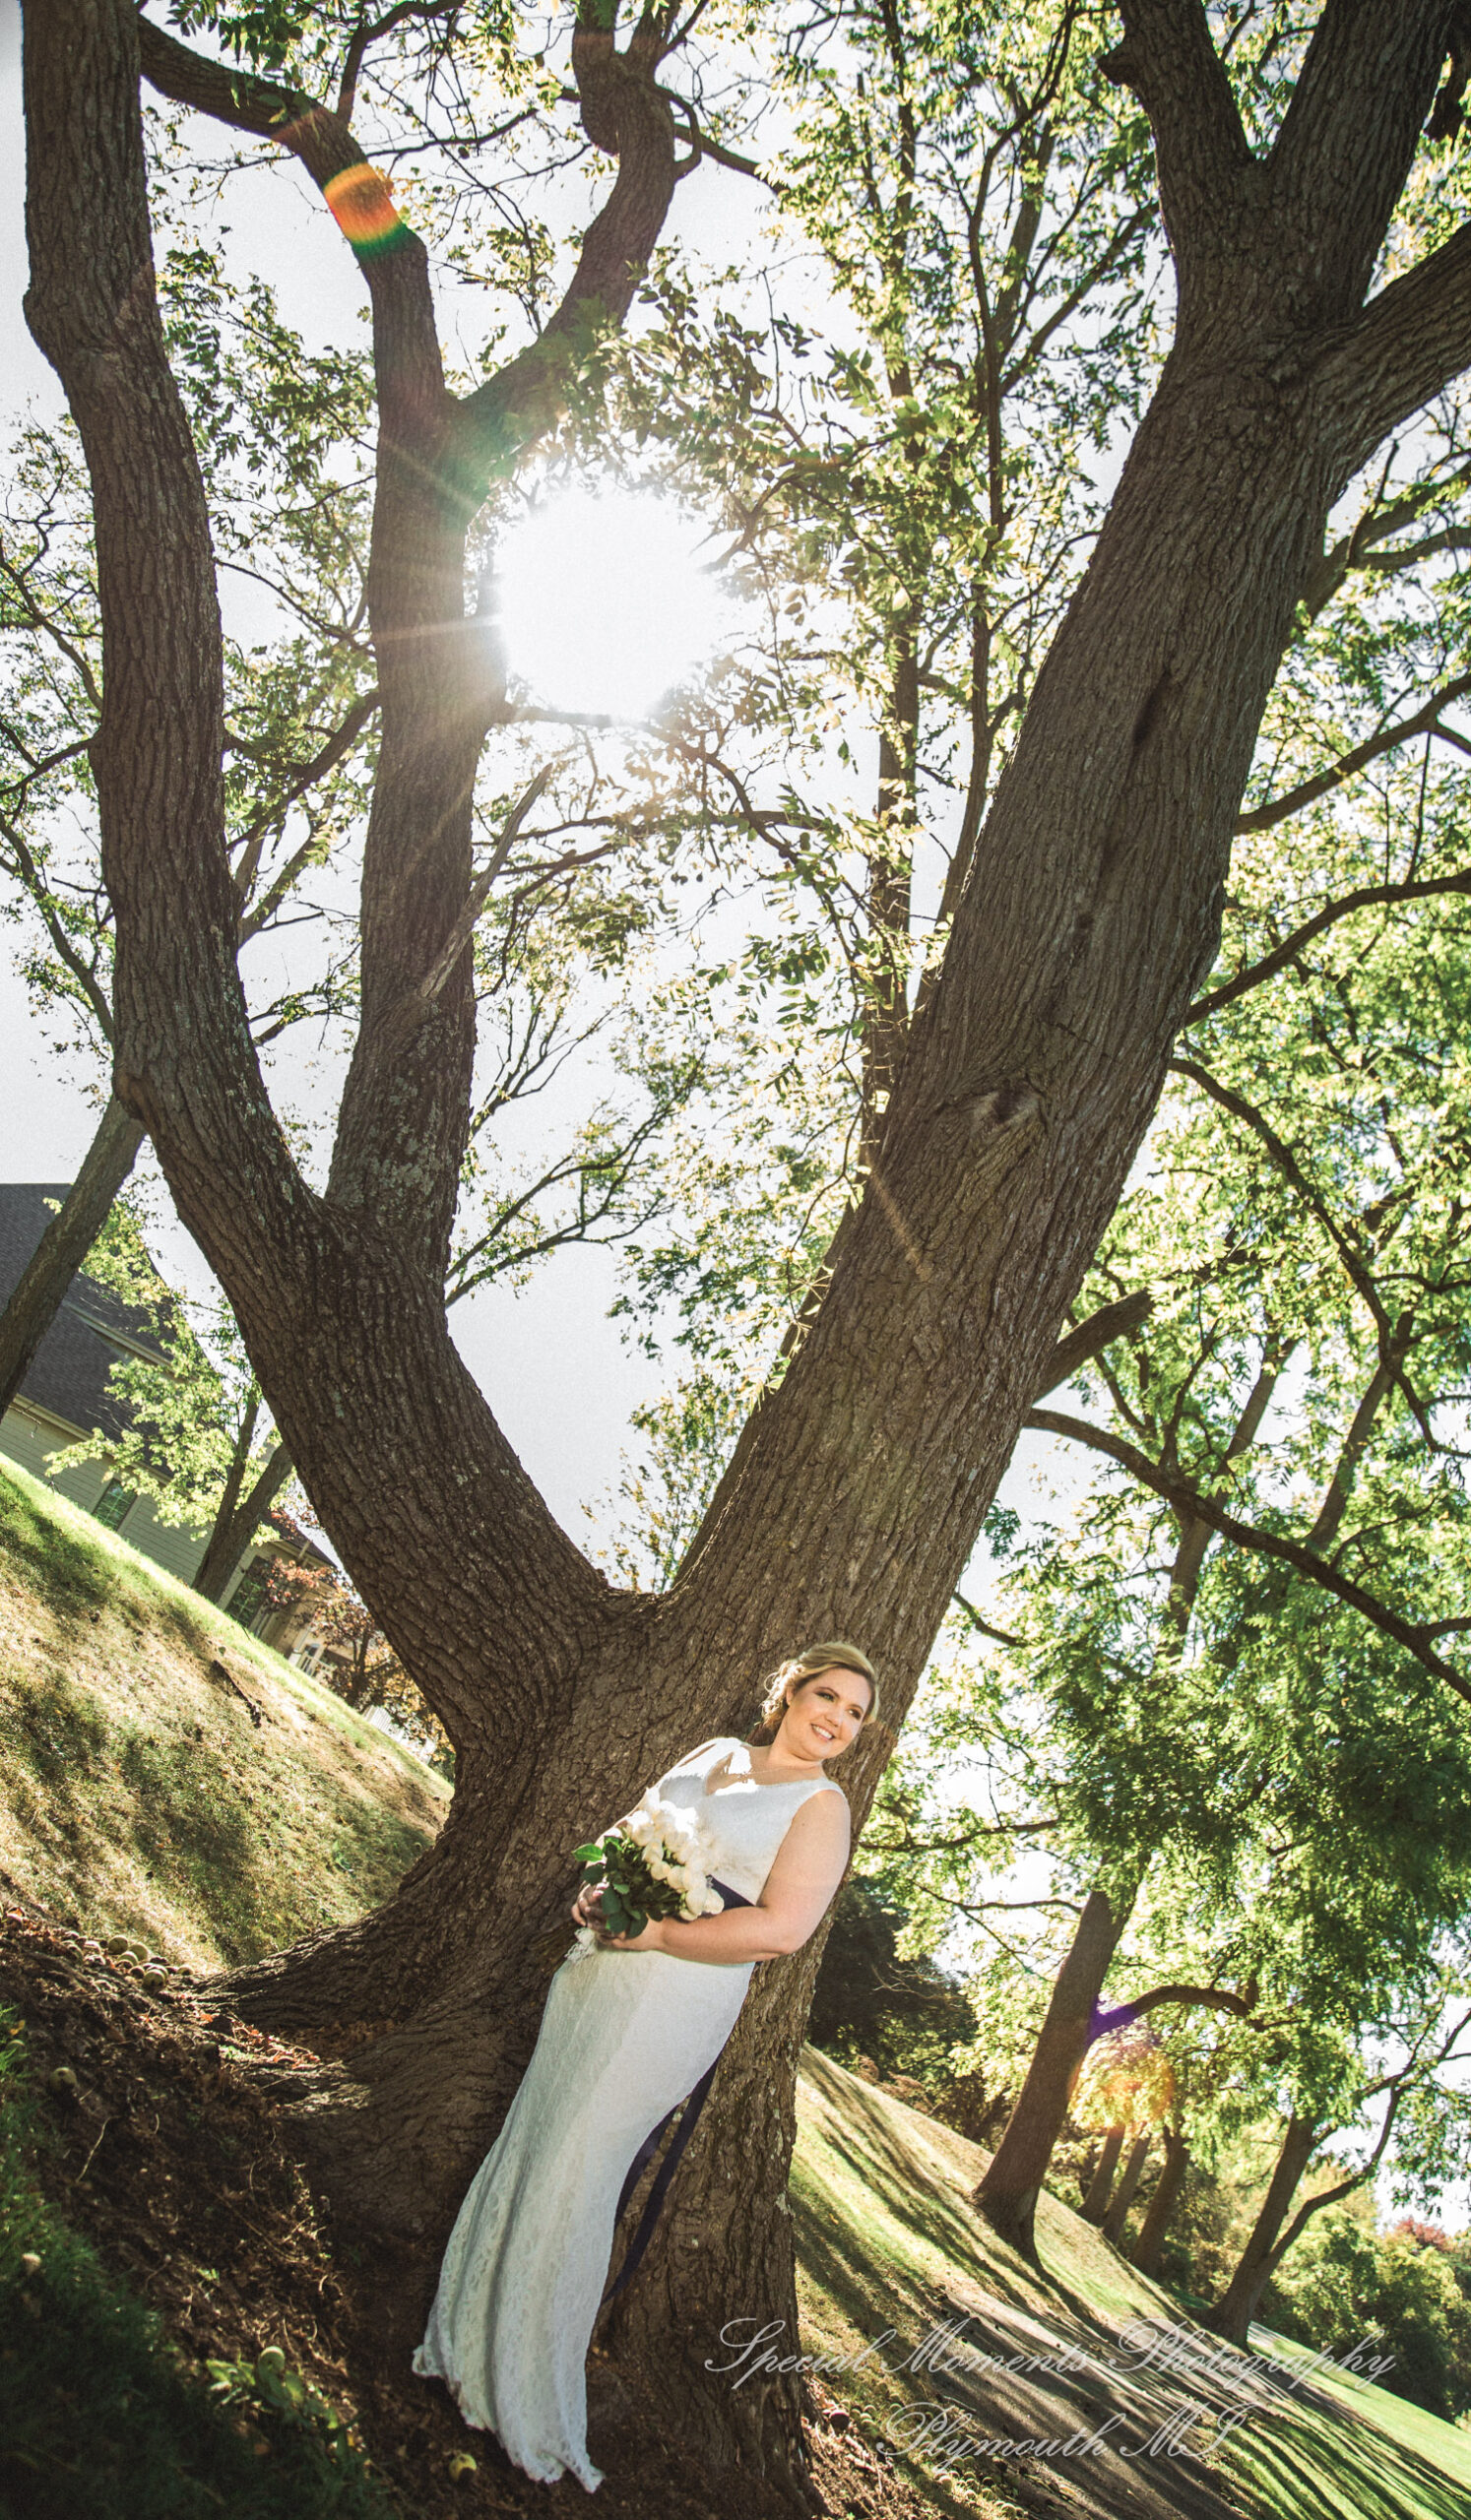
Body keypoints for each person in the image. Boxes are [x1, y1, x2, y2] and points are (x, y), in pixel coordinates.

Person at [412, 1640, 879, 2491]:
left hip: (674, 1997)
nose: (838, 1720)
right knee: (534, 2138)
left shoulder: (821, 1807)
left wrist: (661, 1933)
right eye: (828, 1696)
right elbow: (627, 1834)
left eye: (855, 1714)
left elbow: (780, 1931)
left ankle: (524, 2382)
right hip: (596, 1970)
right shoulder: (714, 1754)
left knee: (578, 2168)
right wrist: (597, 1888)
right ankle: (465, 2336)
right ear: (789, 1693)